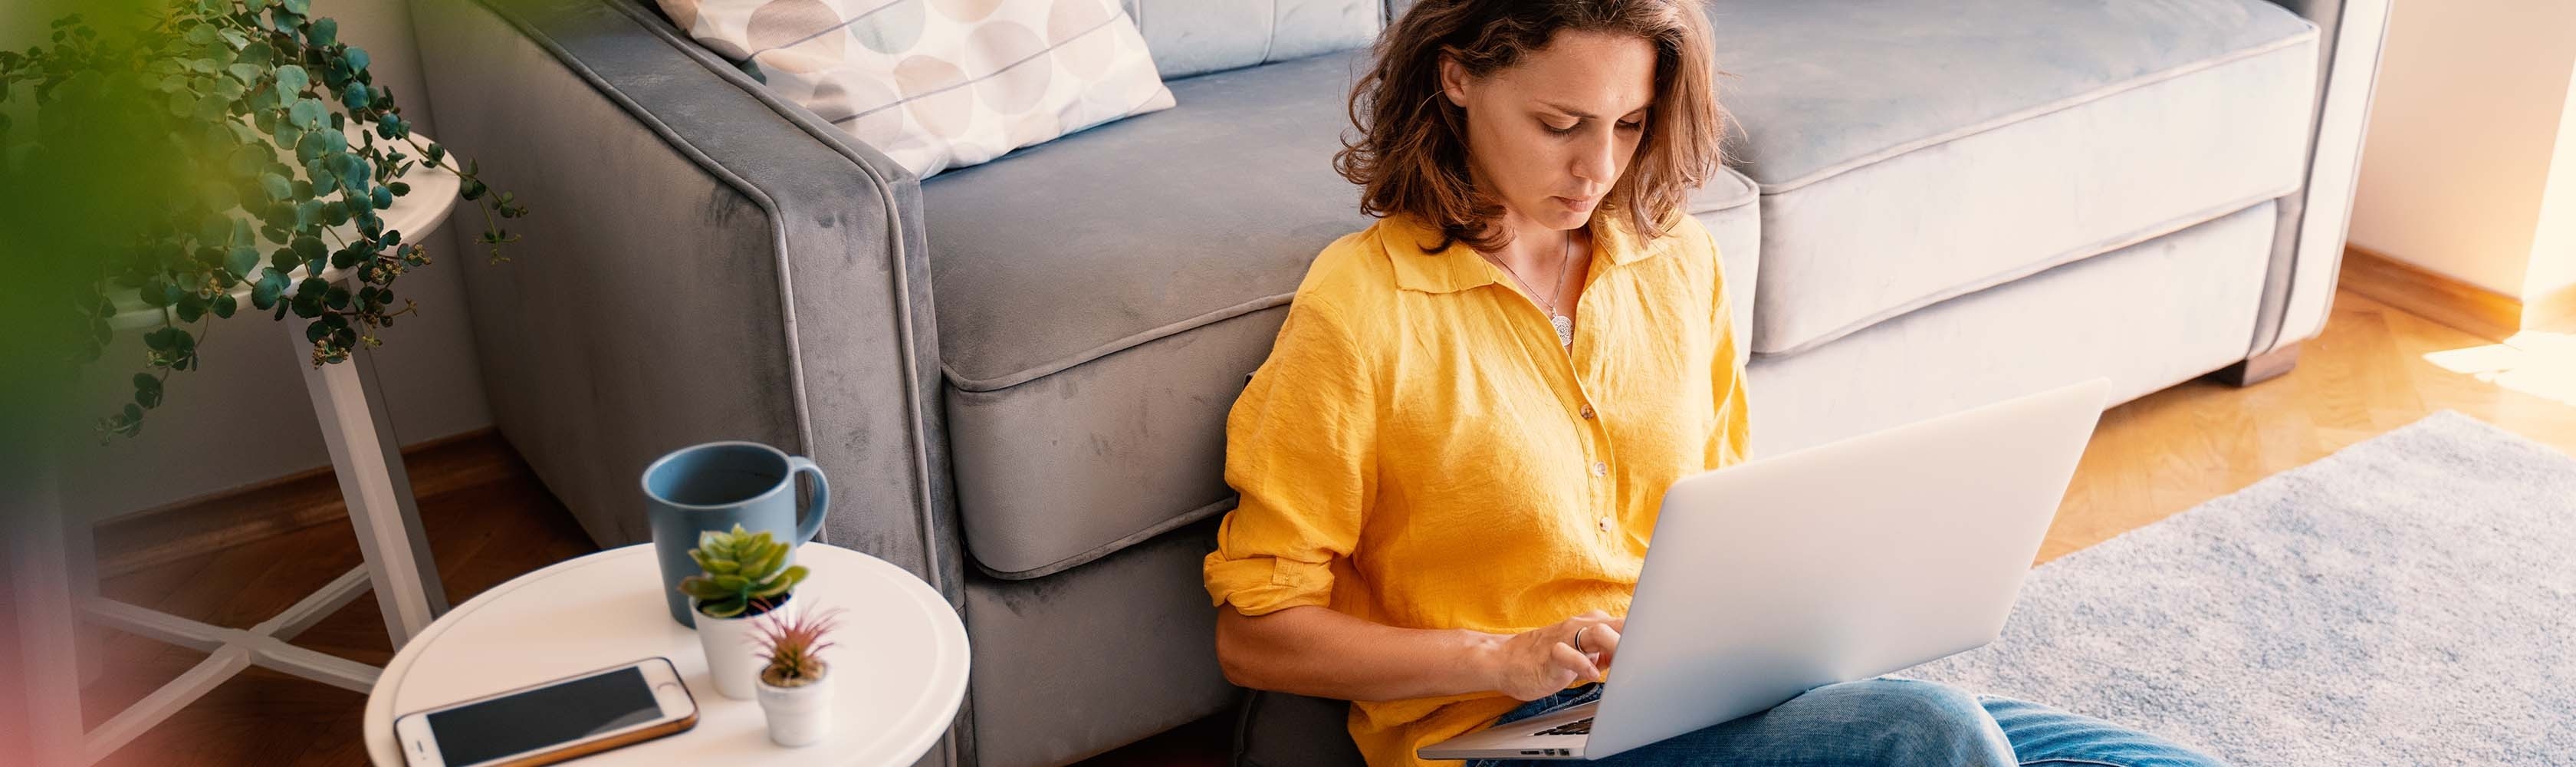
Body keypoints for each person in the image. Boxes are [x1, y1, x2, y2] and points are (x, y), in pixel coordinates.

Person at [1200, 2, 2233, 765]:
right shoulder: (1364, 308)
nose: (1596, 167)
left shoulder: (1671, 261)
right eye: (1560, 124)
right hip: (1510, 735)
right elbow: (1255, 635)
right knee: (1935, 738)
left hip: (1698, 693)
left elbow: (1725, 511)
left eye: (1630, 125)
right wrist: (1500, 658)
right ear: (1460, 77)